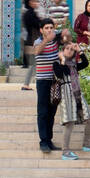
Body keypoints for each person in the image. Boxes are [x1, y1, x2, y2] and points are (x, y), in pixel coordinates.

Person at [52, 39, 90, 160]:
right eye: (67, 49)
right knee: (70, 123)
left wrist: (80, 51)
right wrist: (62, 60)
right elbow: (60, 74)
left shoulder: (74, 64)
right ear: (62, 51)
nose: (69, 51)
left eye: (72, 50)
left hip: (78, 95)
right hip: (67, 95)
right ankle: (65, 151)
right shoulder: (57, 63)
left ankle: (87, 144)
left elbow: (86, 63)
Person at [33, 19, 61, 152]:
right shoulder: (38, 42)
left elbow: (67, 35)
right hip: (43, 81)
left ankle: (49, 141)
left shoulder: (56, 40)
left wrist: (64, 32)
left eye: (51, 27)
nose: (49, 30)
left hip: (55, 81)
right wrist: (46, 40)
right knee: (43, 112)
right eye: (46, 28)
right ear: (41, 30)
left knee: (52, 112)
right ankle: (43, 141)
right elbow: (37, 52)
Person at [20, 0, 44, 90]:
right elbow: (38, 25)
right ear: (30, 2)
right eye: (35, 1)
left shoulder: (30, 13)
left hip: (31, 42)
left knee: (34, 65)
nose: (36, 3)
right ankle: (26, 84)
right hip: (32, 42)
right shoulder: (30, 14)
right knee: (34, 65)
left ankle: (27, 84)